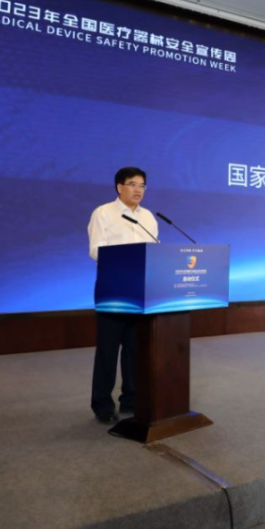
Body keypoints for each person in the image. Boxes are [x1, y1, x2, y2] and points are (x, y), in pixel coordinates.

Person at [87, 167, 159, 423]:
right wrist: (128, 259)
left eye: (142, 185)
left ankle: (131, 399)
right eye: (132, 184)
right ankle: (102, 405)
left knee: (134, 350)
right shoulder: (103, 213)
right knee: (108, 350)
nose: (138, 190)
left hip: (141, 292)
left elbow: (155, 251)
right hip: (114, 291)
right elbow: (96, 250)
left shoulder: (148, 217)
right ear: (119, 187)